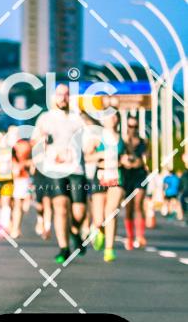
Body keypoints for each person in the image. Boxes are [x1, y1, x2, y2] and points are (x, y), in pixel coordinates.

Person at [31, 83, 88, 263]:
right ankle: (64, 248)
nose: (63, 98)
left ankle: (74, 231)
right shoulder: (45, 118)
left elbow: (91, 138)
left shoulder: (77, 118)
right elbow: (34, 141)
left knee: (79, 212)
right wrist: (41, 140)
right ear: (53, 97)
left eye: (66, 94)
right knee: (60, 207)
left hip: (76, 168)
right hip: (54, 169)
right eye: (59, 94)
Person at [86, 111, 125, 262]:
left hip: (117, 176)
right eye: (109, 115)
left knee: (111, 212)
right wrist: (100, 155)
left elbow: (128, 156)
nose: (112, 118)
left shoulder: (122, 138)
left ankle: (109, 249)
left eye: (115, 115)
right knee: (99, 219)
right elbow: (87, 157)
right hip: (101, 176)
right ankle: (99, 230)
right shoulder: (97, 138)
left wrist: (125, 160)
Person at [121, 115, 149, 249]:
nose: (133, 128)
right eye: (130, 126)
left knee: (138, 204)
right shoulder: (122, 141)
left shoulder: (143, 142)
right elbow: (120, 159)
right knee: (129, 207)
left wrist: (140, 161)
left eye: (135, 126)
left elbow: (145, 159)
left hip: (140, 175)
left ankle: (140, 236)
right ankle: (130, 237)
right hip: (126, 176)